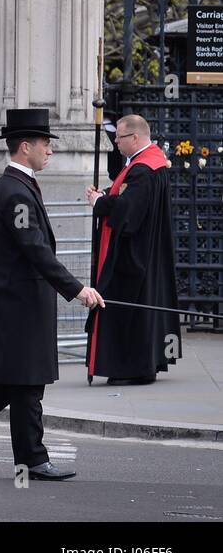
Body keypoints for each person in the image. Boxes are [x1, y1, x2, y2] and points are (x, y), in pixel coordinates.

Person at [0, 108, 104, 481]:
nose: (51, 151)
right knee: (25, 381)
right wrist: (77, 289)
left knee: (23, 382)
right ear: (25, 147)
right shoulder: (14, 192)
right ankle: (21, 454)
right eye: (46, 144)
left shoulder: (16, 187)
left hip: (22, 301)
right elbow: (35, 249)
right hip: (21, 303)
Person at [83, 114, 178, 386]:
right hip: (147, 250)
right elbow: (126, 197)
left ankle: (132, 368)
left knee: (128, 310)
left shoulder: (143, 169)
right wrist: (106, 194)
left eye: (119, 137)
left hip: (134, 254)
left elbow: (128, 212)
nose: (115, 141)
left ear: (134, 138)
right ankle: (141, 366)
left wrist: (99, 203)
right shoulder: (149, 164)